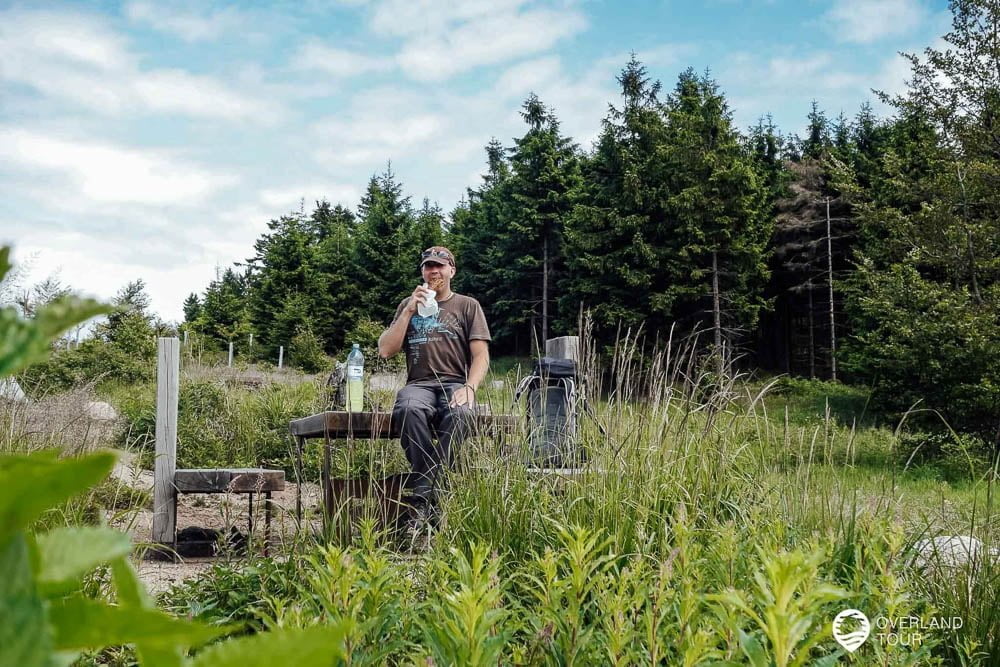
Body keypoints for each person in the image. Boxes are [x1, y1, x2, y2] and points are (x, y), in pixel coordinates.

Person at [377, 245, 491, 527]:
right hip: (419, 384)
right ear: (423, 272)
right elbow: (385, 350)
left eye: (440, 266)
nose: (434, 271)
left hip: (454, 383)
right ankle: (435, 493)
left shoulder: (467, 305)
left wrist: (470, 387)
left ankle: (422, 497)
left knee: (462, 414)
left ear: (452, 271)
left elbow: (481, 356)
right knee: (408, 409)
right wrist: (408, 310)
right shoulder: (408, 304)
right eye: (428, 266)